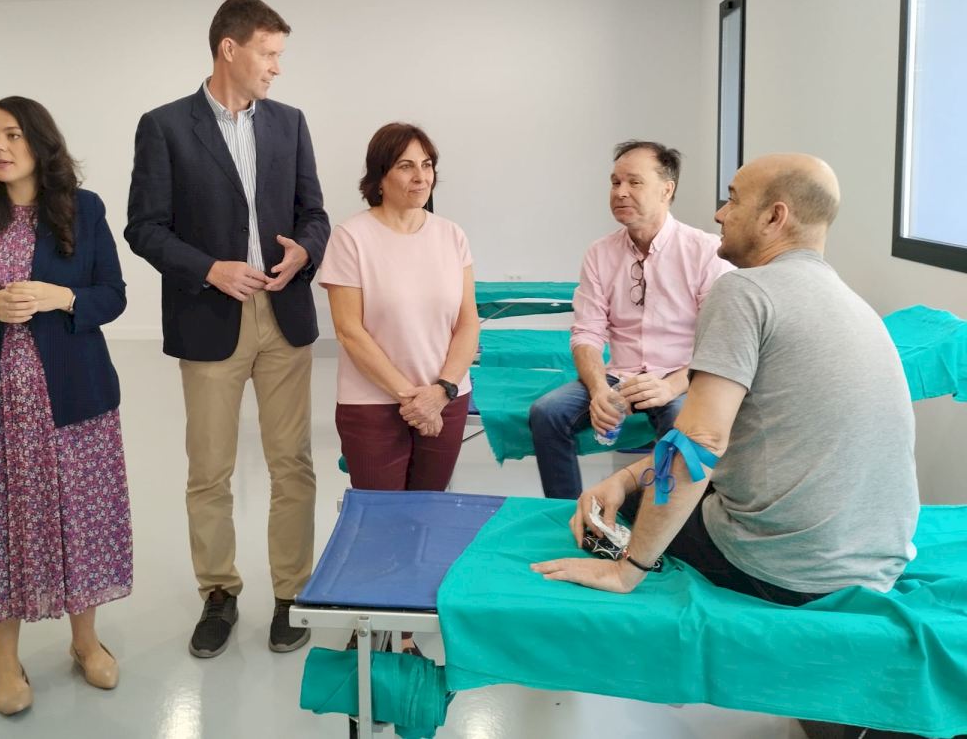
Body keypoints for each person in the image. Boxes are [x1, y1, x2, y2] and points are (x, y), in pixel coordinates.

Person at [532, 154, 920, 609]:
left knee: (632, 508)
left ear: (774, 217)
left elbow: (701, 442)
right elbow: (731, 437)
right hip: (875, 567)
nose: (719, 213)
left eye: (733, 200)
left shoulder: (742, 290)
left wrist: (627, 569)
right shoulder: (853, 303)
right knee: (638, 476)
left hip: (785, 575)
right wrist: (625, 476)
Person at [125, 0, 329, 659]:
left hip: (283, 314)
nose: (276, 67)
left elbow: (315, 215)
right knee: (210, 470)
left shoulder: (290, 123)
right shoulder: (164, 127)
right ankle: (219, 592)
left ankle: (292, 592)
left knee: (292, 463)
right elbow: (143, 228)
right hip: (209, 317)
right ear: (229, 49)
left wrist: (304, 252)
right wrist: (209, 268)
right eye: (269, 54)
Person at [0, 97, 132, 715]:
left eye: (13, 135)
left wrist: (63, 297)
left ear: (40, 144)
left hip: (72, 398)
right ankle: (6, 663)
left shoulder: (83, 209)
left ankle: (85, 642)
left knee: (78, 522)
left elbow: (113, 294)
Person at [529, 141, 732, 499]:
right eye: (615, 182)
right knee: (547, 413)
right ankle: (568, 511)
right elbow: (586, 333)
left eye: (634, 182)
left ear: (666, 189)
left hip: (680, 377)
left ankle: (664, 521)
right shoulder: (599, 253)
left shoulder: (704, 252)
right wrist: (598, 391)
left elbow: (721, 343)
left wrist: (671, 386)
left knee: (684, 426)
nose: (620, 192)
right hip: (619, 376)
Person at [321, 122, 479, 492]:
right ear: (380, 177)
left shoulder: (452, 235)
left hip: (446, 399)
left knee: (428, 511)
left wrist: (441, 391)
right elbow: (349, 331)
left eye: (427, 165)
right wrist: (413, 400)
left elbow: (468, 322)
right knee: (381, 517)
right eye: (406, 166)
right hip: (372, 404)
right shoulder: (351, 237)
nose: (421, 177)